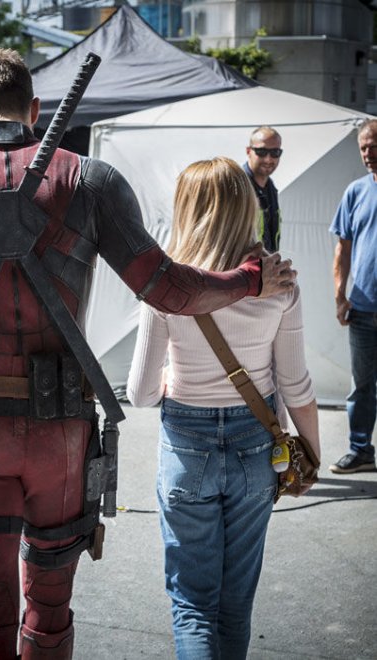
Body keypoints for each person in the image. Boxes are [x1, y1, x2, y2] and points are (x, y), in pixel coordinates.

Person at [0, 48, 295, 660]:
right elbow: (168, 290)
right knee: (49, 613)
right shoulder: (88, 182)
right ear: (35, 110)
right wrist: (248, 280)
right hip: (62, 439)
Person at [127, 157, 319, 660]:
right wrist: (312, 457)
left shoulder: (165, 287)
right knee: (235, 603)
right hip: (256, 446)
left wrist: (172, 380)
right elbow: (295, 384)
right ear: (247, 208)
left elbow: (141, 393)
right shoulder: (280, 282)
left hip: (186, 447)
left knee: (192, 603)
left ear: (186, 210)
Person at [328, 118, 377, 474]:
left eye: (374, 146)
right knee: (361, 386)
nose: (368, 153)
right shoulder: (356, 192)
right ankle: (360, 450)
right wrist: (339, 297)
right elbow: (342, 249)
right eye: (363, 147)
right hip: (362, 309)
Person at [243, 126, 283, 252]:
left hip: (265, 262)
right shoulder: (238, 187)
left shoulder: (271, 188)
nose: (268, 159)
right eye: (261, 151)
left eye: (275, 152)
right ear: (248, 151)